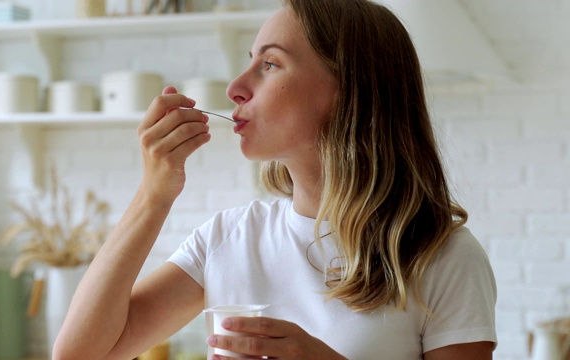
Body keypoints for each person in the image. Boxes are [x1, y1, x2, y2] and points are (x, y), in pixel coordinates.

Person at [53, 0, 497, 359]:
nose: (235, 88)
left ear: (348, 88)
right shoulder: (228, 239)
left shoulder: (445, 258)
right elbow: (80, 355)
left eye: (270, 64)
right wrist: (154, 195)